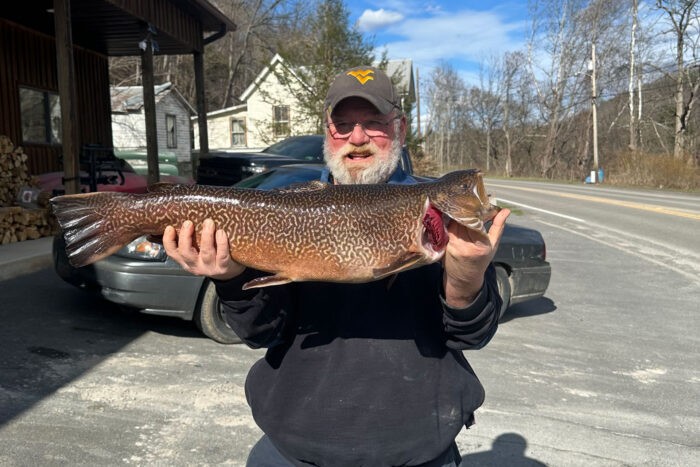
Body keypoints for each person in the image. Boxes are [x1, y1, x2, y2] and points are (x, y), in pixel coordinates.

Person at [163, 66, 510, 467]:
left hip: (417, 453)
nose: (357, 138)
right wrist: (229, 278)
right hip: (292, 451)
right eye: (343, 124)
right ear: (327, 131)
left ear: (399, 128)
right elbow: (262, 333)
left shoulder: (434, 219)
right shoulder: (288, 209)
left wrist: (466, 279)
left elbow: (473, 336)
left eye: (373, 123)